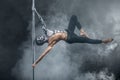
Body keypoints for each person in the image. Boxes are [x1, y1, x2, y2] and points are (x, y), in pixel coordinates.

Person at [32, 15, 113, 68]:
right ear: (42, 42)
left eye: (39, 37)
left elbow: (41, 20)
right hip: (70, 38)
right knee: (86, 40)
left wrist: (35, 10)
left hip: (69, 31)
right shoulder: (50, 43)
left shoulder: (46, 32)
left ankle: (82, 31)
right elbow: (43, 54)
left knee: (73, 17)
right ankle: (103, 41)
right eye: (40, 39)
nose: (40, 37)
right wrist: (36, 63)